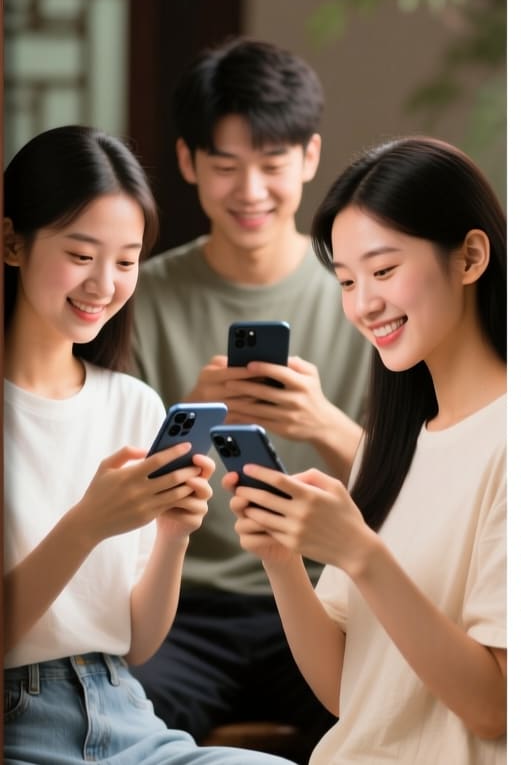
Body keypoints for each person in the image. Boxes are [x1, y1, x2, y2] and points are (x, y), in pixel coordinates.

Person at [2, 125, 291, 764]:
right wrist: (87, 525)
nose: (104, 283)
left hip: (129, 717)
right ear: (12, 241)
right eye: (80, 255)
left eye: (127, 260)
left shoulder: (132, 402)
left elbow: (136, 646)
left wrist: (172, 534)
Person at [223, 136, 507, 763]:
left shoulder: (508, 445)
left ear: (470, 257)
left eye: (383, 271)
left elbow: (494, 706)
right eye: (347, 281)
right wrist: (280, 558)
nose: (363, 304)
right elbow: (347, 693)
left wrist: (359, 552)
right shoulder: (393, 445)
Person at [129, 37, 372, 751]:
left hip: (323, 598)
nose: (252, 191)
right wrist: (184, 419)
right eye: (226, 166)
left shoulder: (363, 300)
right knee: (119, 725)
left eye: (272, 165)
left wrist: (327, 425)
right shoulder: (137, 298)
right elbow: (106, 485)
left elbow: (414, 488)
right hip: (179, 609)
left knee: (385, 721)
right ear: (187, 162)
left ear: (309, 158)